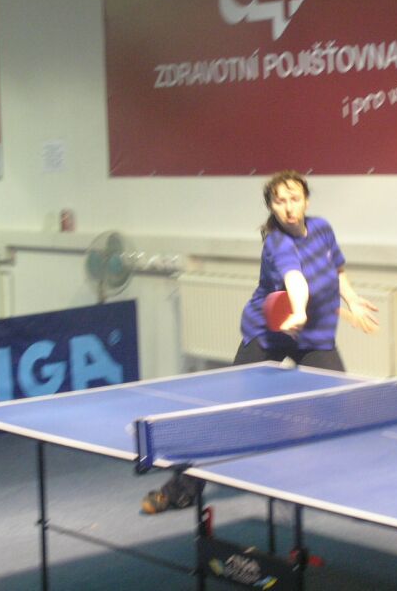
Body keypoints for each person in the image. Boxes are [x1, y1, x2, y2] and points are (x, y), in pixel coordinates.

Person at [141, 170, 379, 515]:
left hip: (313, 335)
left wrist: (353, 300)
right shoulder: (276, 242)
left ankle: (343, 487)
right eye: (280, 201)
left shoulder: (323, 229)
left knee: (338, 405)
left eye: (294, 198)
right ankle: (180, 489)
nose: (288, 208)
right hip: (269, 332)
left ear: (306, 200)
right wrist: (298, 309)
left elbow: (336, 269)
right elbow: (295, 279)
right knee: (232, 414)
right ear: (271, 206)